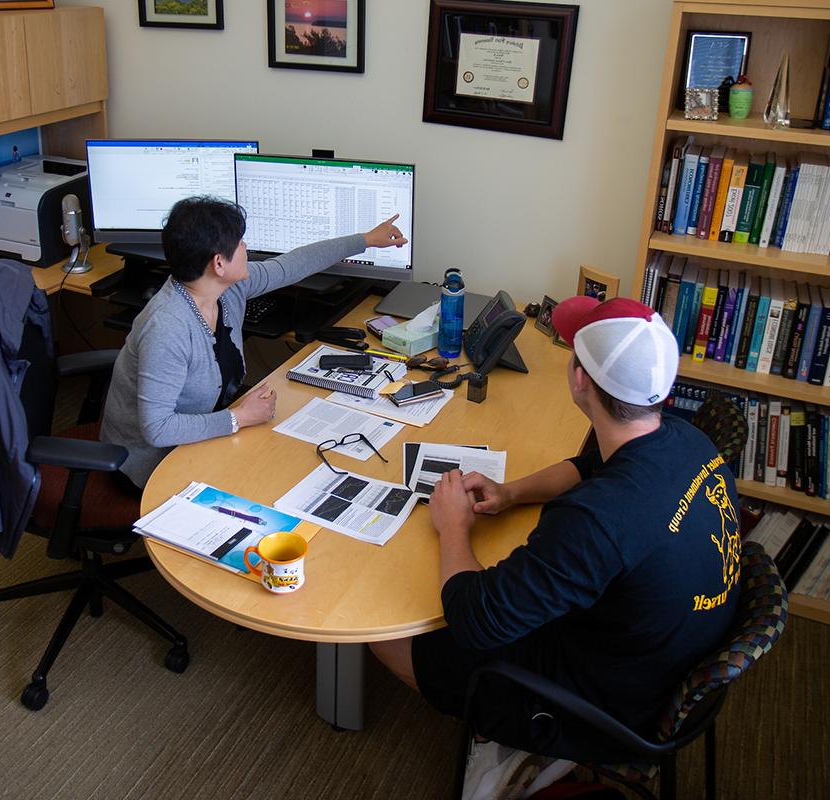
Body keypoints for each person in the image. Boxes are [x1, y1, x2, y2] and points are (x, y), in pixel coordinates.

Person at [368, 295, 743, 762]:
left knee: (376, 623)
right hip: (658, 657)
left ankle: (507, 737)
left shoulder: (598, 520)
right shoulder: (687, 440)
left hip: (606, 709)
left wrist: (453, 528)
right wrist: (511, 493)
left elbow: (473, 618)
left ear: (580, 379)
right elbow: (590, 466)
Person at [101, 196, 405, 491]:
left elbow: (293, 265)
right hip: (151, 466)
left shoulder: (226, 288)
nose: (246, 248)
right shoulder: (168, 328)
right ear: (218, 263)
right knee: (277, 480)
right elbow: (158, 429)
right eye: (240, 244)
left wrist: (366, 239)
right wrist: (238, 418)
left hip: (207, 434)